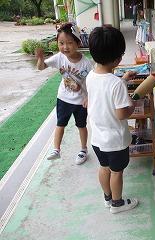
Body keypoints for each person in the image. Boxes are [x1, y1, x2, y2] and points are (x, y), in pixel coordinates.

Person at [87, 26, 139, 214]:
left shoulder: (91, 76)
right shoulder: (116, 84)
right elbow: (121, 114)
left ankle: (108, 198)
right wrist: (132, 103)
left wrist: (123, 79)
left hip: (97, 139)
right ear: (118, 58)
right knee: (117, 172)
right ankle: (117, 204)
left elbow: (105, 91)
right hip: (115, 141)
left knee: (104, 168)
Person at [35, 23, 94, 165]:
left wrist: (89, 97)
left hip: (81, 101)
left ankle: (83, 149)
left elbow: (93, 82)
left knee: (81, 126)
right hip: (63, 98)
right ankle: (56, 150)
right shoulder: (59, 57)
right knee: (60, 124)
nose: (65, 47)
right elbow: (41, 67)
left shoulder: (86, 63)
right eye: (61, 43)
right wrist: (40, 58)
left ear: (78, 43)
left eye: (69, 43)